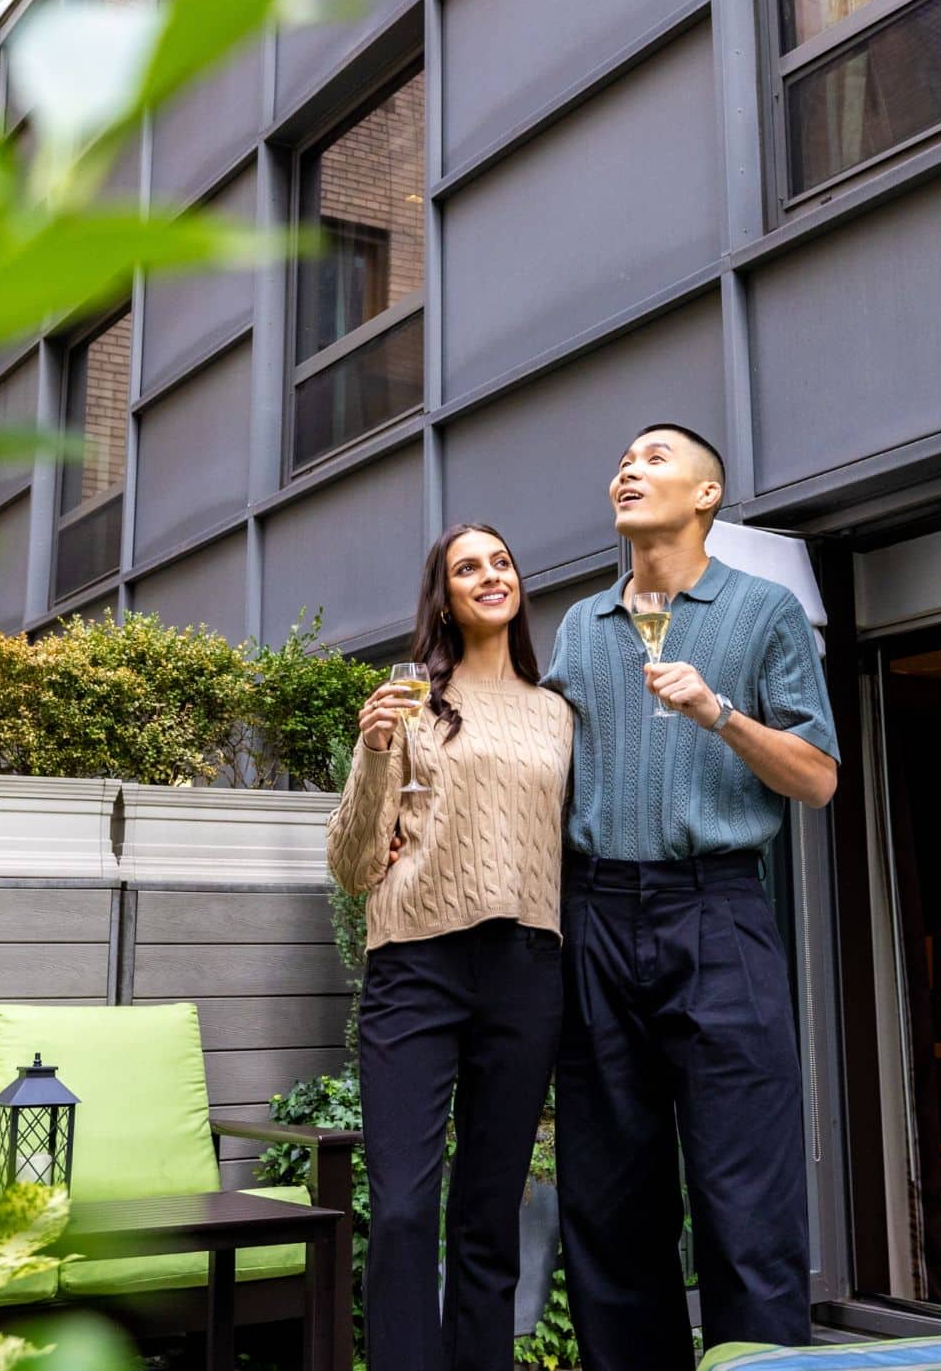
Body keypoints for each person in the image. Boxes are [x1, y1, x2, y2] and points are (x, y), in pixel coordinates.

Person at [540, 425, 840, 1367]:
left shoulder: (764, 612)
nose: (629, 467)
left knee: (744, 1194)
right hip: (593, 913)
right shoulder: (578, 630)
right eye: (622, 457)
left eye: (657, 457)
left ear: (708, 495)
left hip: (717, 912)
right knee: (608, 1196)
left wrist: (719, 713)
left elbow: (819, 778)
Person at [327, 523, 574, 1371]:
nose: (490, 575)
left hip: (526, 969)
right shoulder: (407, 705)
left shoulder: (556, 714)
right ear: (445, 594)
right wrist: (372, 750)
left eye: (502, 561)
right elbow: (354, 862)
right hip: (417, 967)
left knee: (490, 1208)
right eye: (468, 567)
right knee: (400, 1209)